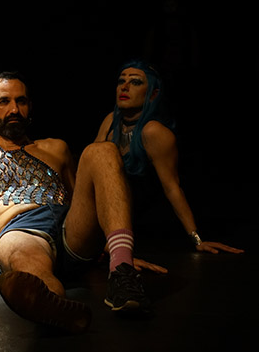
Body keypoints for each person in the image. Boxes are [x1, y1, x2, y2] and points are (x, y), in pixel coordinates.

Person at [0, 72, 163, 334]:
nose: (14, 110)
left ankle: (122, 270)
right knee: (28, 260)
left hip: (70, 232)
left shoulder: (55, 148)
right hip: (21, 230)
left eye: (21, 101)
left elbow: (89, 201)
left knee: (102, 151)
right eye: (4, 102)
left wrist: (115, 246)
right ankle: (55, 306)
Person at [96, 61, 241, 254]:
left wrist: (197, 239)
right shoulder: (111, 121)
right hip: (99, 210)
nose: (125, 87)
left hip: (124, 218)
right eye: (121, 81)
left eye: (136, 82)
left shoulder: (154, 132)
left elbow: (172, 187)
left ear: (153, 94)